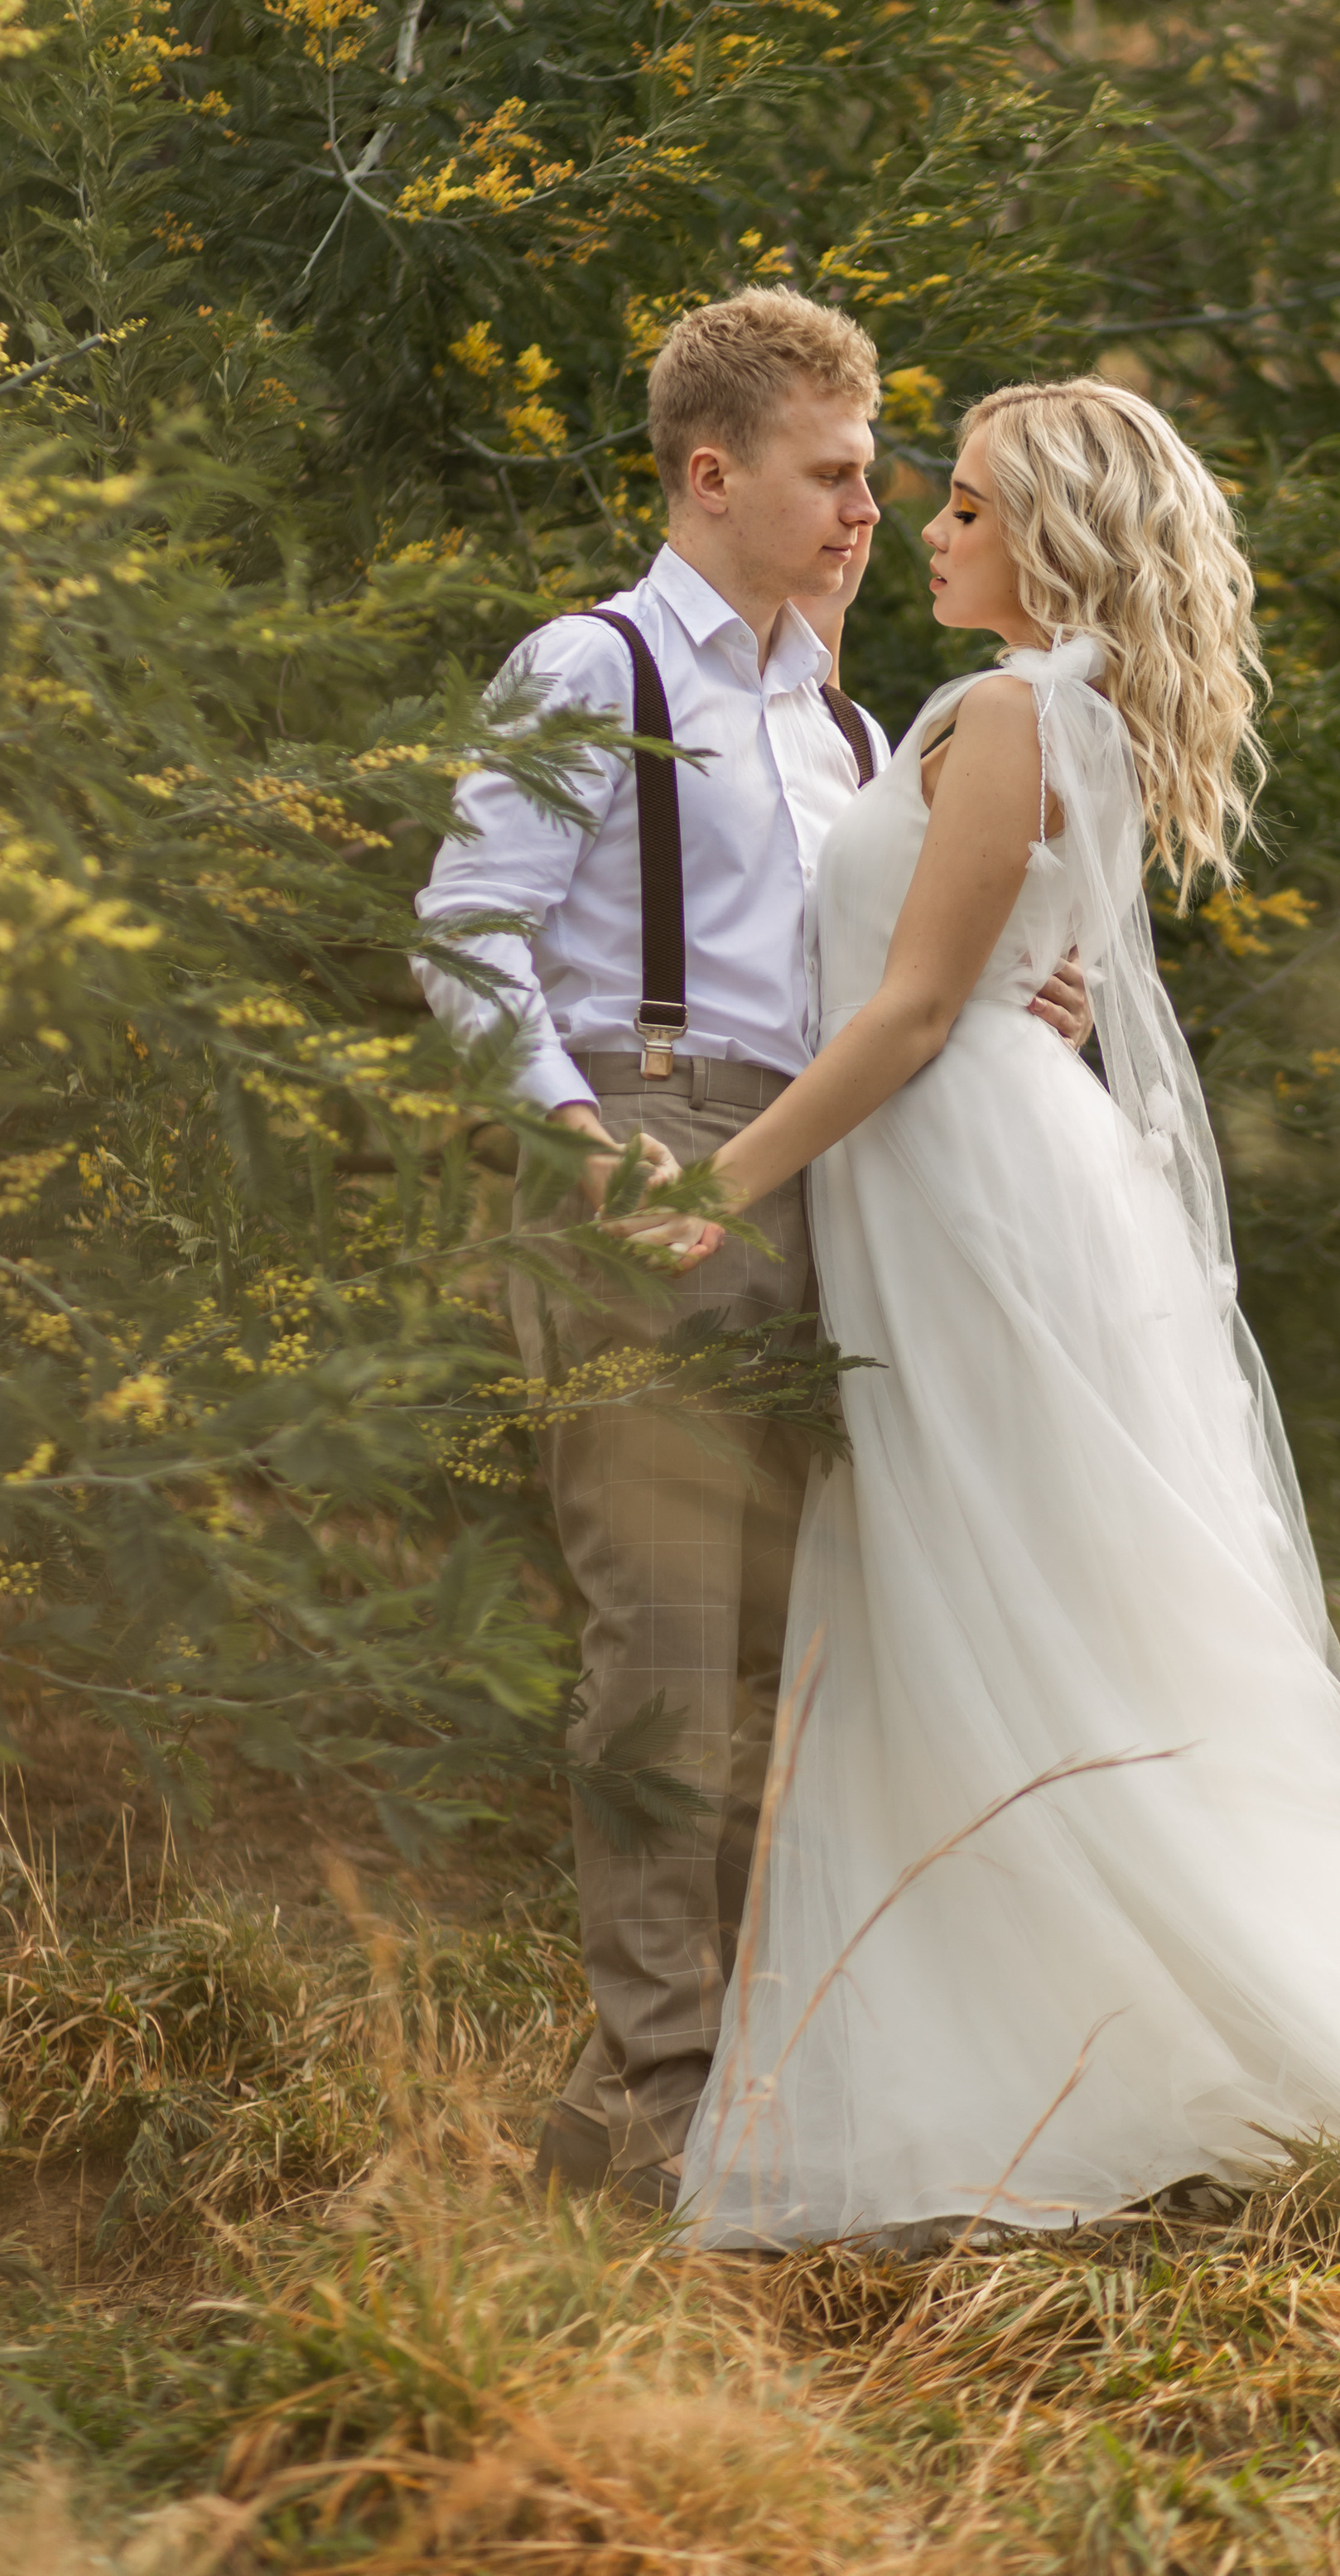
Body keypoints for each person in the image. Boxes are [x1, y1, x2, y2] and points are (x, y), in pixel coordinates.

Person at [629, 378, 1340, 2246]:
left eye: (971, 511)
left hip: (969, 1179)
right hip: (969, 1167)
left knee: (1009, 1588)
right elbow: (969, 959)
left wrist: (713, 1185)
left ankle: (1138, 2033)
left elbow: (915, 1010)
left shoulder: (1009, 707)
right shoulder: (1017, 706)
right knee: (995, 1591)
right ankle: (1047, 2010)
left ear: (1054, 544)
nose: (926, 529)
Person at [411, 289, 1087, 2212]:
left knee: (780, 1661)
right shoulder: (592, 666)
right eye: (838, 472)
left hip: (826, 1177)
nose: (872, 508)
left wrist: (1016, 1013)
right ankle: (660, 2108)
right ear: (713, 475)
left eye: (881, 477)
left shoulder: (852, 716)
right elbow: (467, 930)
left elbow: (895, 979)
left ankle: (658, 2090)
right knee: (661, 1636)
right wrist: (572, 1146)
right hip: (645, 1146)